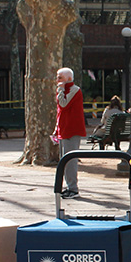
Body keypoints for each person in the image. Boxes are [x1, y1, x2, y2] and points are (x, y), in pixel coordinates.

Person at [54, 67, 87, 198]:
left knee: (70, 161)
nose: (57, 80)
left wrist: (60, 90)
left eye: (60, 77)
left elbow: (63, 104)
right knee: (65, 161)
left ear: (68, 79)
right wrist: (57, 128)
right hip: (64, 129)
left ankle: (73, 188)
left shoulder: (74, 90)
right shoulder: (65, 91)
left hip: (72, 130)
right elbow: (60, 112)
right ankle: (69, 186)